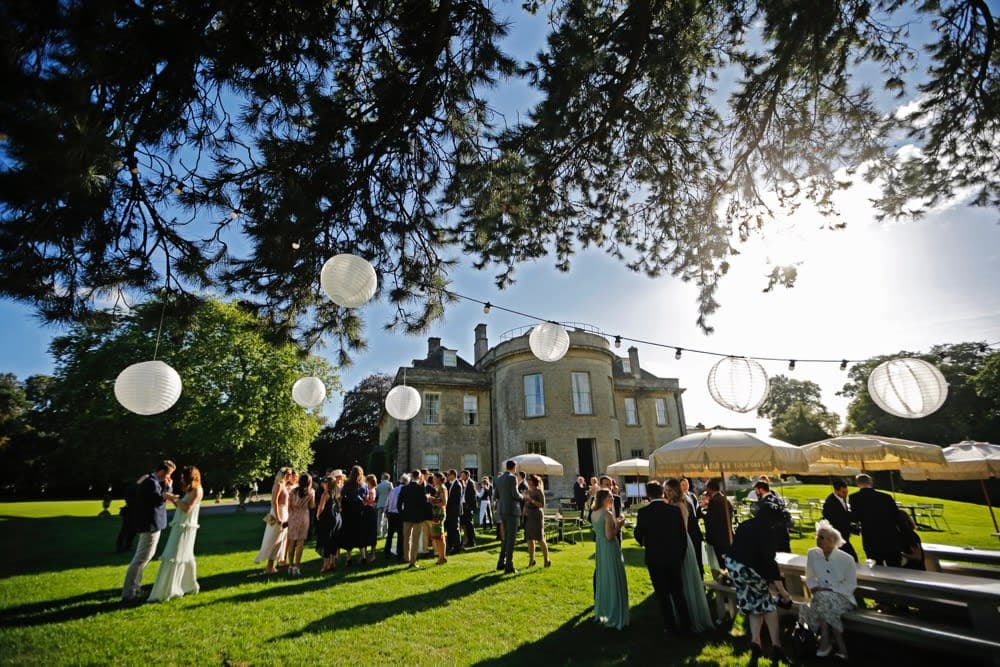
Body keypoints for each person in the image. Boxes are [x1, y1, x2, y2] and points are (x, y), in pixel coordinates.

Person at [724, 495, 794, 664]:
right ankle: (776, 646)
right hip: (749, 570)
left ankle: (756, 642)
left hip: (733, 566)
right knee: (769, 606)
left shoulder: (745, 525)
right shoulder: (768, 533)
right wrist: (784, 593)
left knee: (755, 603)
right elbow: (769, 564)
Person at [634, 481, 690, 634]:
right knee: (678, 592)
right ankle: (686, 625)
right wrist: (681, 555)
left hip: (655, 557)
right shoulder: (673, 511)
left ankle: (670, 626)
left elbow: (638, 535)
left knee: (662, 594)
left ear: (648, 495)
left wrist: (646, 541)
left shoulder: (644, 512)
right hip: (673, 556)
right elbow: (682, 536)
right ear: (662, 493)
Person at [121, 460, 176, 604]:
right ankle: (129, 592)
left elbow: (161, 497)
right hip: (150, 524)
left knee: (144, 558)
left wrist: (167, 488)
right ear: (163, 472)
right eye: (169, 474)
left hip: (152, 524)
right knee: (140, 559)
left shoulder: (154, 481)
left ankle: (135, 588)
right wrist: (167, 492)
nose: (169, 477)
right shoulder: (150, 482)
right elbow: (156, 500)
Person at [801, 520, 857, 660]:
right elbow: (810, 577)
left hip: (842, 598)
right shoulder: (812, 554)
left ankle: (825, 639)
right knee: (823, 600)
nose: (817, 540)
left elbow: (850, 585)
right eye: (817, 536)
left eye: (821, 537)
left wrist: (830, 589)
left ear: (832, 541)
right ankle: (841, 648)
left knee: (824, 599)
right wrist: (815, 588)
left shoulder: (847, 559)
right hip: (820, 598)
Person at [664, 478, 714, 632]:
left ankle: (691, 614)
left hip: (682, 542)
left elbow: (683, 529)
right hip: (672, 543)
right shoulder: (669, 505)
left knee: (686, 575)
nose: (667, 493)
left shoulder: (681, 505)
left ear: (675, 490)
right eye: (665, 490)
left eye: (669, 490)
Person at [148, 465, 203, 601]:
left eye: (184, 477)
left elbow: (187, 509)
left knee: (175, 555)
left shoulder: (197, 490)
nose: (182, 480)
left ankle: (171, 589)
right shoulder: (190, 490)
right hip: (180, 525)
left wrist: (173, 498)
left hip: (185, 528)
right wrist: (173, 498)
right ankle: (188, 585)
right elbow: (181, 506)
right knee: (180, 555)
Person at [591, 489, 629, 629]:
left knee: (604, 576)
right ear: (603, 499)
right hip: (609, 547)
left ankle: (605, 608)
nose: (612, 499)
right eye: (610, 497)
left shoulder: (594, 513)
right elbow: (609, 535)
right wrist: (619, 525)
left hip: (600, 548)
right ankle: (615, 611)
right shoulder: (607, 513)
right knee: (614, 575)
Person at [849, 474, 901, 566]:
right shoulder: (886, 497)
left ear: (857, 483)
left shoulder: (854, 497)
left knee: (876, 565)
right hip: (889, 534)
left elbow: (855, 517)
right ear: (871, 483)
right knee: (895, 565)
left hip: (870, 535)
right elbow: (897, 516)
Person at [255, 467, 295, 574]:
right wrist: (278, 518)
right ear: (285, 475)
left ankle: (272, 566)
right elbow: (274, 502)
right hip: (279, 514)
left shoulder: (283, 485)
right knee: (274, 539)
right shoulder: (278, 485)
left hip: (283, 513)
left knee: (279, 540)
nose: (291, 476)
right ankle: (269, 567)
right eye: (289, 474)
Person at [398, 470, 430, 569]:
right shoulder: (421, 489)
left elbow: (399, 504)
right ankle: (412, 561)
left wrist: (402, 514)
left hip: (407, 517)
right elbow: (424, 504)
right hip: (418, 518)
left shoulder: (404, 488)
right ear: (419, 477)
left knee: (406, 538)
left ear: (411, 476)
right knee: (415, 540)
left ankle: (406, 558)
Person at [338, 465, 369, 566]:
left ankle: (348, 559)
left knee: (349, 534)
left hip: (349, 511)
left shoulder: (347, 484)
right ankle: (364, 557)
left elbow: (341, 495)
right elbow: (366, 497)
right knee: (360, 533)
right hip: (359, 510)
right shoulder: (364, 485)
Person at [286, 472, 316, 575]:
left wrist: (292, 513)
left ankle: (290, 566)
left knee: (292, 542)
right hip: (304, 517)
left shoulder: (293, 491)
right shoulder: (311, 492)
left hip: (293, 516)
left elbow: (289, 506)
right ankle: (297, 567)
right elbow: (312, 506)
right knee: (300, 544)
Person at [495, 460, 522, 573]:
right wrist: (523, 496)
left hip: (502, 510)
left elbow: (496, 495)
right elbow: (515, 494)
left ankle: (501, 562)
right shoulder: (512, 477)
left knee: (506, 538)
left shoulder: (499, 478)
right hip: (512, 510)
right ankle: (509, 565)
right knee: (511, 539)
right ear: (514, 467)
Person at [703, 478, 734, 574]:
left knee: (722, 562)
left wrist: (703, 511)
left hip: (718, 537)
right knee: (730, 560)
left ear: (709, 489)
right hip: (727, 534)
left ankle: (726, 579)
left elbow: (710, 520)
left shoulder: (714, 501)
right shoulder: (726, 499)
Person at [822, 479, 858, 561]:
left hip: (844, 534)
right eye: (843, 492)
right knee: (852, 557)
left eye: (846, 492)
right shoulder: (830, 503)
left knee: (846, 558)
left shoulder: (842, 498)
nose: (846, 494)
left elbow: (844, 514)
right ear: (836, 490)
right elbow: (836, 518)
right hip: (837, 535)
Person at [522, 474, 551, 567]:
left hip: (537, 516)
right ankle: (531, 560)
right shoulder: (528, 491)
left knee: (540, 538)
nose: (528, 481)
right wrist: (524, 512)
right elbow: (526, 504)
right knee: (529, 539)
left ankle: (546, 560)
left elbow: (542, 504)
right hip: (529, 516)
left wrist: (532, 500)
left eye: (529, 479)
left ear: (533, 481)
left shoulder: (539, 491)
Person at [315, 475, 342, 573]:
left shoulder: (325, 494)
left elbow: (321, 507)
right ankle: (332, 563)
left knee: (326, 541)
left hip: (327, 520)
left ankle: (325, 566)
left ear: (327, 484)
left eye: (324, 482)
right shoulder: (336, 493)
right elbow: (339, 507)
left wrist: (317, 515)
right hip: (337, 519)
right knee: (333, 540)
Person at [680, 477, 705, 576]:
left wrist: (703, 508)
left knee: (698, 553)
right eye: (683, 484)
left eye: (686, 484)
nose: (685, 486)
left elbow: (697, 513)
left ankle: (701, 571)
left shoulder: (692, 496)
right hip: (688, 528)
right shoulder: (681, 498)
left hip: (696, 529)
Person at [429, 472, 449, 565]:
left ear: (438, 478)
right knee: (436, 537)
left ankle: (442, 557)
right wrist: (432, 499)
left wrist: (432, 501)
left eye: (434, 478)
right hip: (436, 514)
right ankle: (440, 557)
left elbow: (444, 502)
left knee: (439, 537)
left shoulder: (442, 488)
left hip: (439, 514)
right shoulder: (439, 488)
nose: (433, 479)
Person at [445, 469, 463, 555]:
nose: (447, 477)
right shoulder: (451, 484)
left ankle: (457, 547)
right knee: (451, 528)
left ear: (452, 475)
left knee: (455, 528)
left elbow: (456, 500)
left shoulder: (457, 485)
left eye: (448, 475)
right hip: (450, 510)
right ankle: (451, 545)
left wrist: (447, 503)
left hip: (454, 510)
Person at [362, 473, 379, 563]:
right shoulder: (372, 489)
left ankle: (372, 555)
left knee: (370, 532)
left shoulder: (371, 490)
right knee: (368, 532)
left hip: (369, 511)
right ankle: (368, 555)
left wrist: (363, 498)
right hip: (370, 511)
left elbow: (369, 500)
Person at [460, 470, 477, 548]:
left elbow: (473, 496)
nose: (461, 477)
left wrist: (469, 506)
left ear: (467, 475)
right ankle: (468, 540)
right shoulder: (465, 483)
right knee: (466, 524)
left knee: (469, 524)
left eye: (463, 475)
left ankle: (472, 541)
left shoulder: (471, 483)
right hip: (464, 506)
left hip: (468, 507)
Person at [375, 473, 392, 537]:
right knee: (385, 518)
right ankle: (385, 533)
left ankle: (378, 532)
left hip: (380, 502)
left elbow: (377, 494)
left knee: (379, 519)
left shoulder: (379, 485)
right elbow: (392, 493)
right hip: (387, 503)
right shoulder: (389, 484)